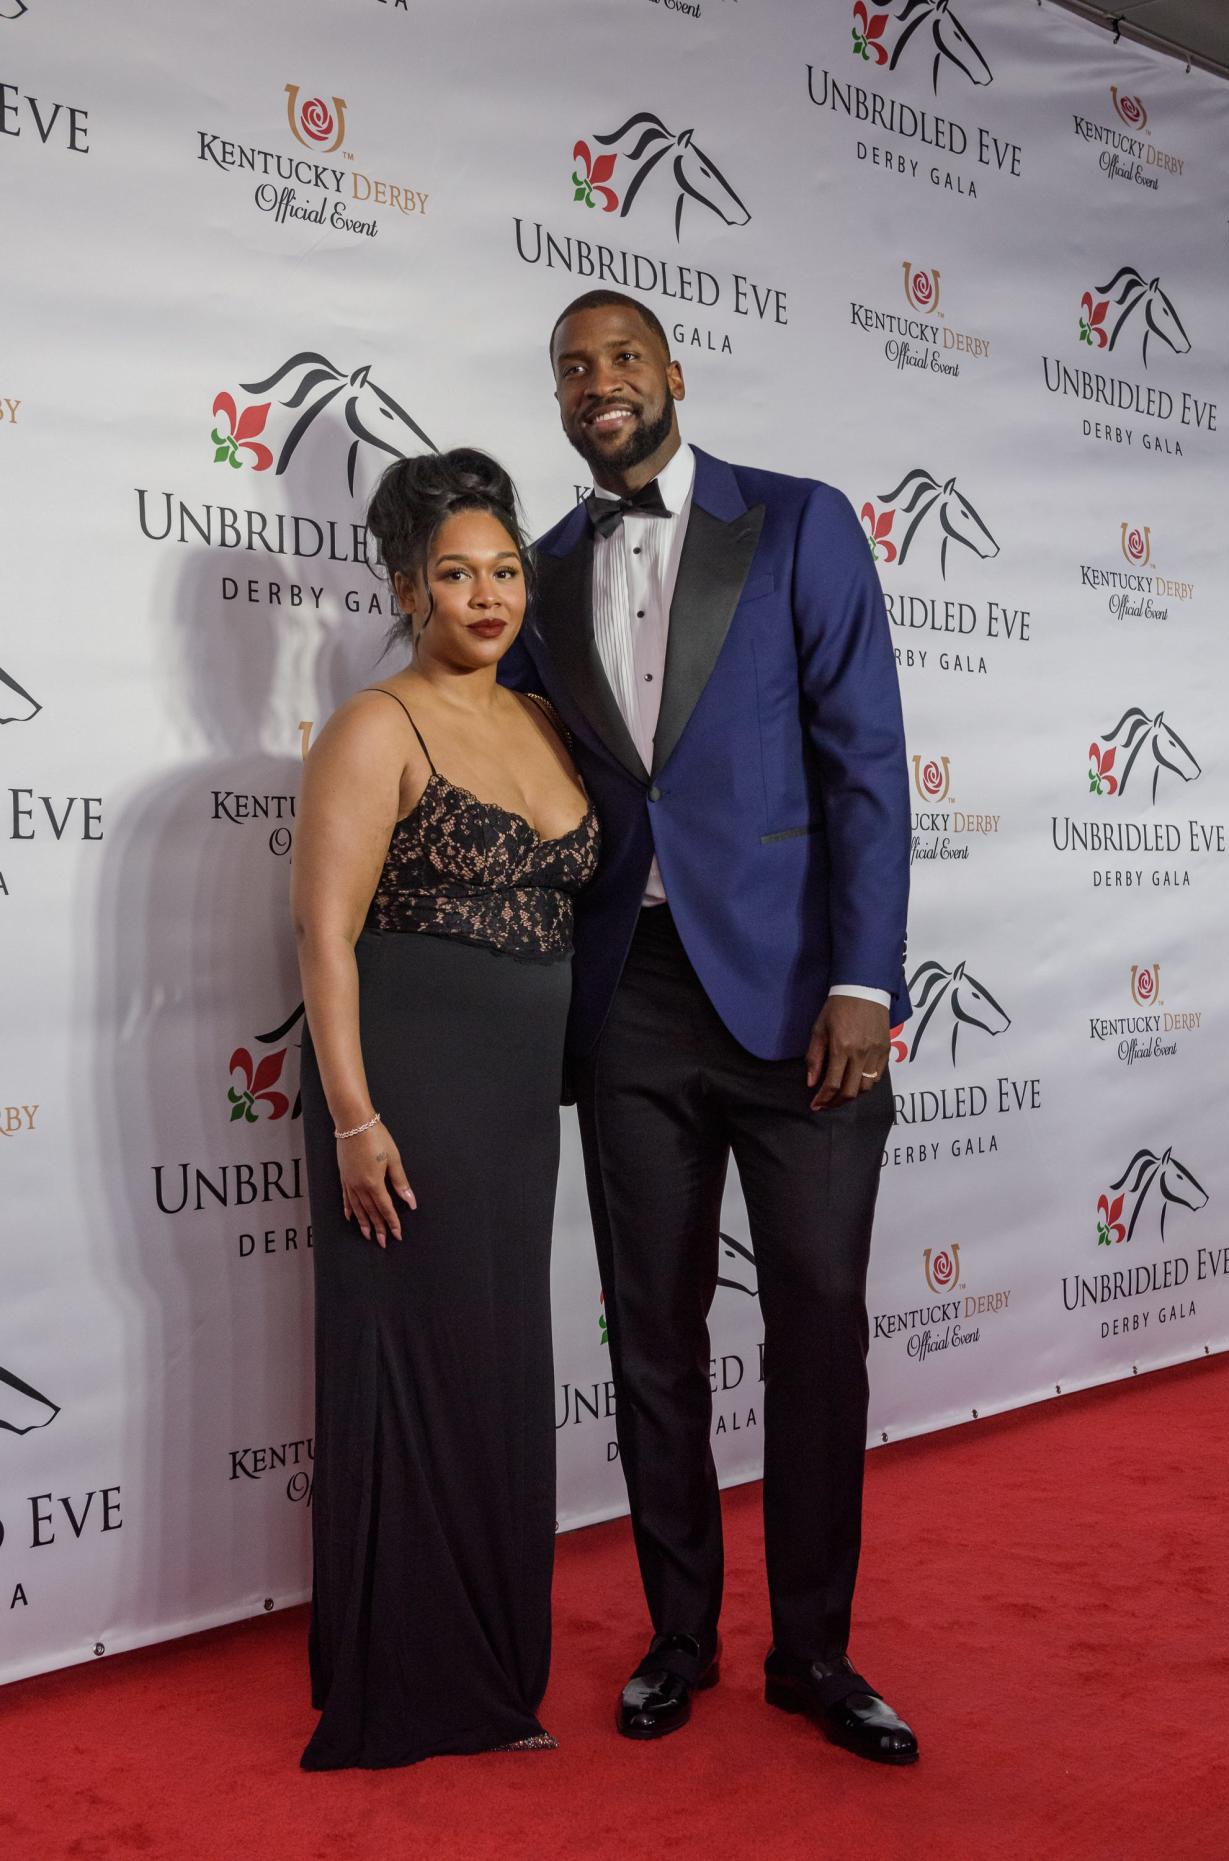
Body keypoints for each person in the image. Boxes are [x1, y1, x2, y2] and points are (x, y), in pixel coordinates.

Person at [499, 291, 918, 1765]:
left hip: (802, 1002)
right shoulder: (541, 573)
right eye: (571, 368)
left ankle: (813, 1651)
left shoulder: (796, 524)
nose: (595, 384)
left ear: (673, 375)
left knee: (815, 1323)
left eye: (619, 359)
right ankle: (679, 1636)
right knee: (653, 1339)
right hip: (628, 1001)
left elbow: (864, 757)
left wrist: (865, 982)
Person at [290, 448, 598, 1769]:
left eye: (506, 570)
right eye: (456, 574)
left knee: (493, 1367)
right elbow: (321, 936)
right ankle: (411, 1686)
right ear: (408, 588)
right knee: (411, 1368)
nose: (487, 594)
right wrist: (354, 1118)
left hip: (518, 1105)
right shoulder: (376, 724)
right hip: (404, 1092)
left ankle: (493, 1665)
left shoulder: (540, 720)